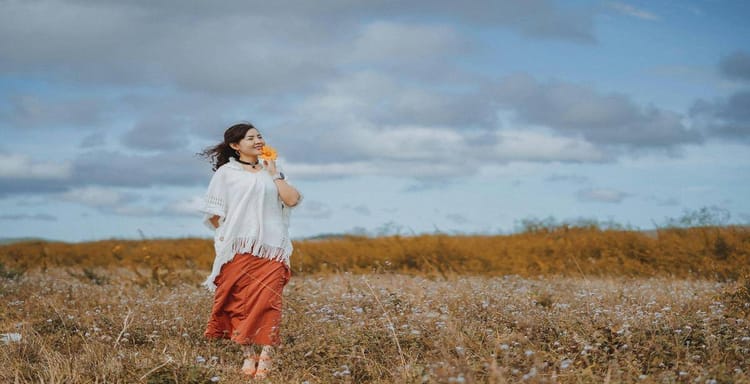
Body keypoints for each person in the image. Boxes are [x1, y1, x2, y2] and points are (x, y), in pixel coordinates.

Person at [198, 122, 302, 380]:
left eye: (259, 137)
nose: (258, 141)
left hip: (271, 248)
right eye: (250, 138)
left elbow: (291, 200)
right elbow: (213, 215)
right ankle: (248, 354)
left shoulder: (272, 172)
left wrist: (275, 173)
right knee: (237, 302)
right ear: (236, 146)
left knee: (269, 303)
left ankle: (265, 355)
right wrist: (227, 236)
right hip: (239, 248)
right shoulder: (226, 173)